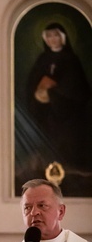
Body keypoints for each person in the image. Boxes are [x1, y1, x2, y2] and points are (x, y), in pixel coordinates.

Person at [26, 22, 91, 171]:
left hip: (68, 115)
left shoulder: (71, 59)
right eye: (48, 36)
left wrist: (52, 93)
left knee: (67, 145)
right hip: (46, 112)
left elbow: (78, 88)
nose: (52, 39)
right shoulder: (42, 59)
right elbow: (32, 83)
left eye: (55, 35)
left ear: (63, 37)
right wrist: (38, 93)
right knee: (47, 145)